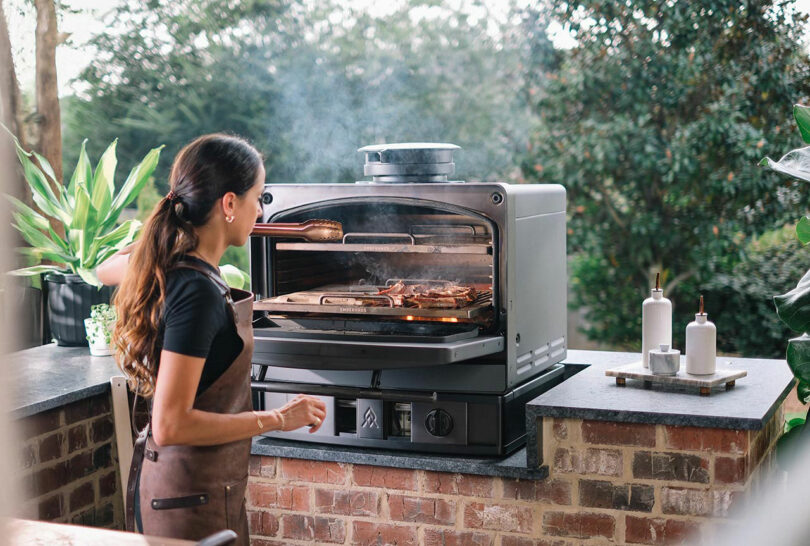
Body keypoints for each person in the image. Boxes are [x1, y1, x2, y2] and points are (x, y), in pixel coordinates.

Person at [101, 133, 326, 544]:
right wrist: (278, 419)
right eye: (256, 197)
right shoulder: (196, 291)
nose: (258, 211)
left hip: (199, 492)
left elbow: (105, 267)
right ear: (228, 203)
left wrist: (167, 226)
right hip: (186, 503)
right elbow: (169, 424)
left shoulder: (179, 268)